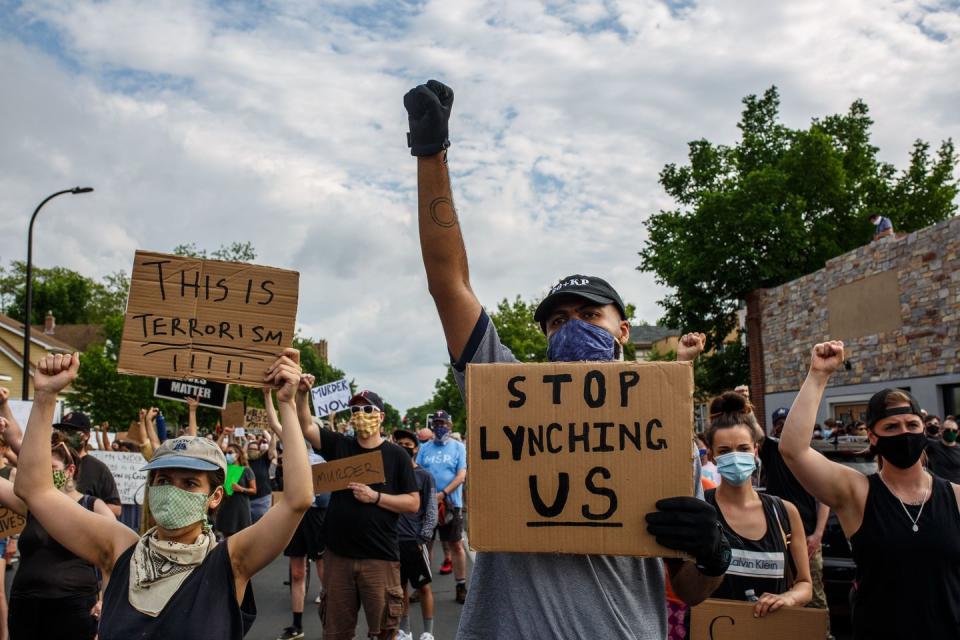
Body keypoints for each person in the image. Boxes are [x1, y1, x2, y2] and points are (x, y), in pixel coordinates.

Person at [405, 78, 731, 639]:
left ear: (623, 330)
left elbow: (690, 587)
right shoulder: (505, 389)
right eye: (558, 321)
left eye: (590, 315)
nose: (574, 328)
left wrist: (712, 554)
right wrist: (431, 154)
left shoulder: (662, 432)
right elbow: (447, 283)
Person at [13, 349, 314, 640]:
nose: (173, 491)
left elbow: (296, 500)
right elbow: (35, 490)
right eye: (164, 479)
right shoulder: (119, 550)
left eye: (190, 483)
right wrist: (45, 397)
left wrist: (286, 403)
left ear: (215, 497)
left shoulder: (230, 562)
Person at [780, 341, 960, 639]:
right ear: (873, 437)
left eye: (912, 425)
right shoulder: (858, 494)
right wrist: (818, 375)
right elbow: (794, 450)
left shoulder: (954, 496)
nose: (904, 433)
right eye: (891, 427)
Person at [299, 390, 419, 640]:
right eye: (355, 410)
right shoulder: (340, 445)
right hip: (338, 557)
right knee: (335, 632)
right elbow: (306, 424)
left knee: (383, 632)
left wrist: (375, 497)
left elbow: (412, 503)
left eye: (367, 410)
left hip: (379, 558)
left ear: (381, 417)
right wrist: (301, 395)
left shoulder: (396, 455)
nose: (360, 415)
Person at [704, 392, 812, 615]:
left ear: (755, 451)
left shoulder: (784, 512)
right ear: (713, 457)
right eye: (724, 451)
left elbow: (805, 584)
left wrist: (788, 598)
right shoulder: (703, 510)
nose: (735, 456)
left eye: (743, 449)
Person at [1, 437, 114, 639]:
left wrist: (106, 601)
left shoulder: (92, 506)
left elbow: (115, 555)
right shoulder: (32, 504)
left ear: (69, 471)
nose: (46, 474)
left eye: (52, 468)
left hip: (73, 607)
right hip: (26, 606)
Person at [266, 381, 329, 640]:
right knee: (296, 571)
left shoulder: (326, 449)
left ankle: (332, 619)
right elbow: (274, 423)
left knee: (324, 569)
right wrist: (267, 394)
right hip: (296, 515)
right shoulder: (294, 445)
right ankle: (297, 625)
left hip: (318, 514)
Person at [760, 407, 831, 633]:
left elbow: (824, 499)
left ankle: (822, 634)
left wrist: (818, 535)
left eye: (787, 422)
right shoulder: (771, 451)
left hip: (809, 539)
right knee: (780, 594)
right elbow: (754, 433)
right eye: (779, 423)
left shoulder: (812, 456)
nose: (783, 427)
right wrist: (745, 402)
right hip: (776, 538)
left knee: (815, 597)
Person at [416, 409, 468, 602]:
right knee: (425, 544)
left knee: (456, 544)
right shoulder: (425, 448)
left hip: (451, 503)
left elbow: (461, 475)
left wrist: (443, 494)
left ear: (450, 425)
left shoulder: (457, 447)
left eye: (443, 423)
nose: (439, 427)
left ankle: (460, 585)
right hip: (427, 504)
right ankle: (422, 585)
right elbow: (417, 470)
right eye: (436, 424)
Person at [393, 428, 438, 640]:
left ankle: (428, 633)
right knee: (399, 589)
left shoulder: (424, 476)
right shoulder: (390, 475)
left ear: (416, 448)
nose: (404, 448)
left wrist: (423, 538)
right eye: (399, 444)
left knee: (423, 587)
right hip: (393, 542)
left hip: (415, 542)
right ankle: (404, 630)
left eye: (408, 445)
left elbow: (431, 510)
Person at [215, 438, 256, 538]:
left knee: (240, 537)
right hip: (225, 506)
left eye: (230, 452)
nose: (227, 455)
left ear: (237, 455)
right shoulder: (224, 468)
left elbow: (254, 490)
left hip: (240, 508)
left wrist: (241, 489)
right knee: (226, 536)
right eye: (226, 452)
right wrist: (224, 434)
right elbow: (215, 450)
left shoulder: (246, 470)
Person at [926, 418, 960, 483]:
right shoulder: (932, 445)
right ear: (941, 431)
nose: (951, 432)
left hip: (957, 489)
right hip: (939, 488)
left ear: (958, 433)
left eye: (954, 431)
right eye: (947, 430)